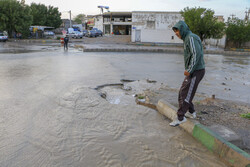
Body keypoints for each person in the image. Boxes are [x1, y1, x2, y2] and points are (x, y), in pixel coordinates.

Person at [170, 20, 205, 127]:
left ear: (183, 29)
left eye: (177, 30)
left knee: (186, 93)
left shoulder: (190, 38)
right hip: (193, 71)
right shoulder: (186, 39)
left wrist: (189, 70)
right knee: (182, 92)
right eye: (175, 31)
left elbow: (196, 54)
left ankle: (180, 117)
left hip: (196, 71)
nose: (176, 33)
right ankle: (191, 112)